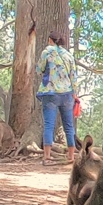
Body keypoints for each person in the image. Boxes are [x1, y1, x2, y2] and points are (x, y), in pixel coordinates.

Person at [35, 28, 79, 165]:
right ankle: (71, 156)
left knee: (49, 125)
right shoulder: (68, 55)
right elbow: (74, 76)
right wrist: (75, 93)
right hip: (67, 94)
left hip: (50, 93)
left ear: (50, 40)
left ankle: (47, 156)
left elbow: (39, 69)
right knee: (69, 126)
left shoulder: (47, 52)